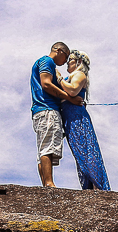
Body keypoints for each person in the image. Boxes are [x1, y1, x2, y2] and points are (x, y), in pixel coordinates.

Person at [30, 42, 83, 187]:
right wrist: (69, 97)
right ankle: (49, 183)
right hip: (48, 109)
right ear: (59, 51)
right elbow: (46, 84)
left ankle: (46, 184)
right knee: (47, 147)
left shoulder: (43, 62)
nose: (65, 61)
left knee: (44, 148)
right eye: (66, 57)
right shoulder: (48, 61)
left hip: (40, 110)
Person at [58, 50, 111, 190]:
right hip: (69, 117)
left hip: (77, 117)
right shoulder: (72, 75)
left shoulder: (79, 74)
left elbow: (73, 90)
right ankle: (91, 185)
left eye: (70, 60)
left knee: (86, 150)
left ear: (78, 62)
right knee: (79, 151)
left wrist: (59, 80)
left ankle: (96, 185)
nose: (68, 63)